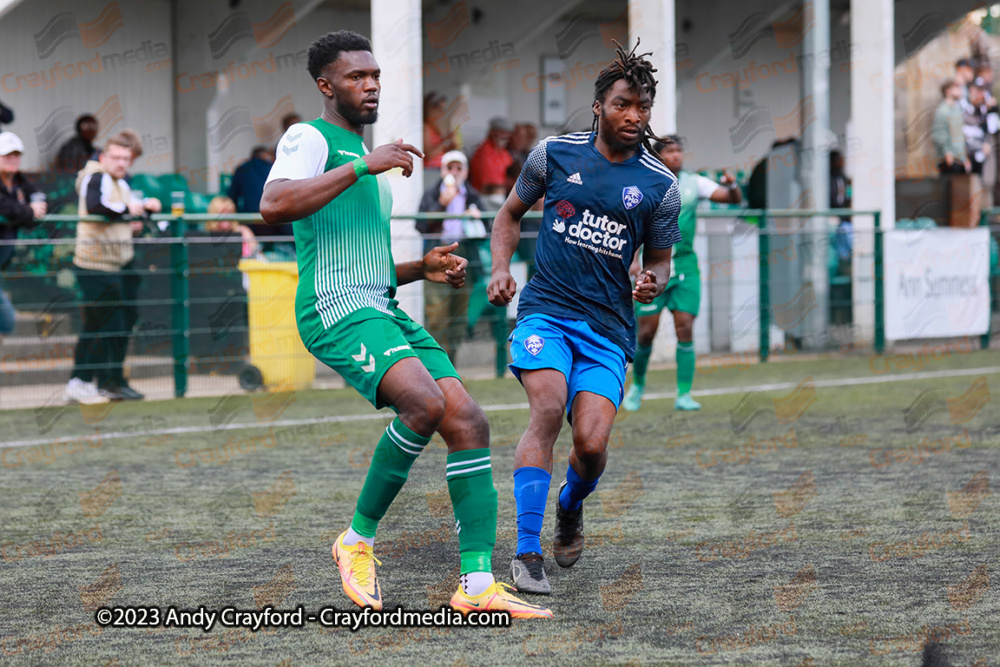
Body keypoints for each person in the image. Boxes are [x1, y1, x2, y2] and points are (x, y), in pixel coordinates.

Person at [259, 30, 551, 619]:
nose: (370, 86)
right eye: (355, 78)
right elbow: (275, 205)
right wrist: (363, 165)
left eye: (374, 77)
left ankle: (476, 584)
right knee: (422, 404)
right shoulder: (308, 137)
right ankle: (356, 540)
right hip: (333, 310)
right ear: (326, 86)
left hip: (380, 305)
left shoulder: (366, 162)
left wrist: (422, 267)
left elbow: (362, 262)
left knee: (468, 420)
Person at [487, 40, 681, 595]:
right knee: (547, 408)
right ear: (599, 105)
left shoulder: (660, 186)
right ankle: (526, 553)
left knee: (591, 446)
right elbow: (508, 215)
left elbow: (662, 262)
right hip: (545, 312)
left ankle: (569, 508)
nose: (633, 116)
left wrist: (652, 281)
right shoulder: (553, 154)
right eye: (623, 104)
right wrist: (501, 268)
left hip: (608, 330)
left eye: (642, 108)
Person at [622, 137, 741, 413]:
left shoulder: (693, 182)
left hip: (685, 266)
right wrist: (634, 259)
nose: (676, 156)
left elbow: (731, 199)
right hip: (652, 266)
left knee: (685, 327)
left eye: (679, 151)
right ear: (659, 155)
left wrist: (731, 185)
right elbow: (634, 222)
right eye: (670, 151)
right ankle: (637, 387)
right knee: (646, 333)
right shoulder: (645, 181)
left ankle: (684, 394)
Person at [64, 130, 161, 405]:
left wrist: (138, 212)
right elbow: (97, 207)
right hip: (94, 266)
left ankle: (109, 382)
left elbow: (118, 211)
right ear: (103, 156)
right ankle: (80, 382)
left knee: (117, 324)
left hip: (116, 265)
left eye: (126, 158)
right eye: (116, 157)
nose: (121, 163)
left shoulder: (118, 181)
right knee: (98, 325)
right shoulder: (96, 177)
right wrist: (133, 208)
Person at [416, 150, 486, 362]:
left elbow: (488, 229)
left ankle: (451, 366)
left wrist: (476, 219)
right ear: (442, 170)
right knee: (437, 315)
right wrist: (441, 204)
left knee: (459, 316)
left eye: (459, 168)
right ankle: (435, 366)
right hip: (438, 254)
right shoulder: (431, 193)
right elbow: (420, 225)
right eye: (450, 168)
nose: (454, 172)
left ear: (465, 171)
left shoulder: (473, 195)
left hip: (465, 256)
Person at [0, 132, 46, 335]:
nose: (12, 159)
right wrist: (29, 211)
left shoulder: (19, 181)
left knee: (6, 322)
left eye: (16, 155)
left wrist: (31, 209)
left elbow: (41, 199)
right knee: (7, 319)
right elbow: (7, 208)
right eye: (7, 155)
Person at [934, 79, 970, 174]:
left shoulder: (957, 110)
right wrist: (947, 152)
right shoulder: (942, 111)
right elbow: (939, 134)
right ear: (948, 91)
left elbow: (960, 134)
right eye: (956, 88)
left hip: (960, 159)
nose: (960, 91)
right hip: (948, 160)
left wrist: (965, 157)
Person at [469, 117, 513, 195]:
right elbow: (491, 185)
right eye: (501, 132)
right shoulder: (483, 152)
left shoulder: (504, 153)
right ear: (492, 132)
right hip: (485, 196)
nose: (505, 136)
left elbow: (513, 175)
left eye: (507, 133)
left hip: (503, 194)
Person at [422, 92, 459, 172]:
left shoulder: (437, 126)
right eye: (439, 109)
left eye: (443, 109)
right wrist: (445, 143)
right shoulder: (425, 127)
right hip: (430, 170)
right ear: (429, 109)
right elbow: (428, 154)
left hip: (442, 168)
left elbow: (454, 147)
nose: (442, 113)